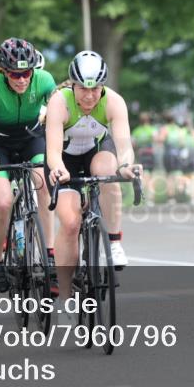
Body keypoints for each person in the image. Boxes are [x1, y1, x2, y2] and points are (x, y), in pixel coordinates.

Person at [46, 51, 141, 317]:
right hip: (64, 160)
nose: (89, 96)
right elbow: (52, 151)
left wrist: (125, 165)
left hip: (96, 153)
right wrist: (58, 170)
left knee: (108, 171)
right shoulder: (59, 102)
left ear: (103, 87)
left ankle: (113, 241)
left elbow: (123, 144)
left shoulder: (114, 101)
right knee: (70, 222)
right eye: (83, 89)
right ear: (72, 85)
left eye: (96, 89)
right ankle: (65, 297)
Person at [0, 37, 57, 293]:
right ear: (3, 71)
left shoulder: (44, 81)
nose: (22, 79)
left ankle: (50, 257)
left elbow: (58, 116)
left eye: (26, 73)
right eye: (15, 74)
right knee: (2, 202)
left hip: (32, 140)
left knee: (44, 186)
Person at [131, 112, 157, 206]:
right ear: (149, 120)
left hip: (141, 155)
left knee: (143, 175)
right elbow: (156, 139)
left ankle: (142, 195)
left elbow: (133, 144)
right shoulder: (152, 129)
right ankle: (150, 199)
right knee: (150, 176)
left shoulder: (136, 131)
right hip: (150, 154)